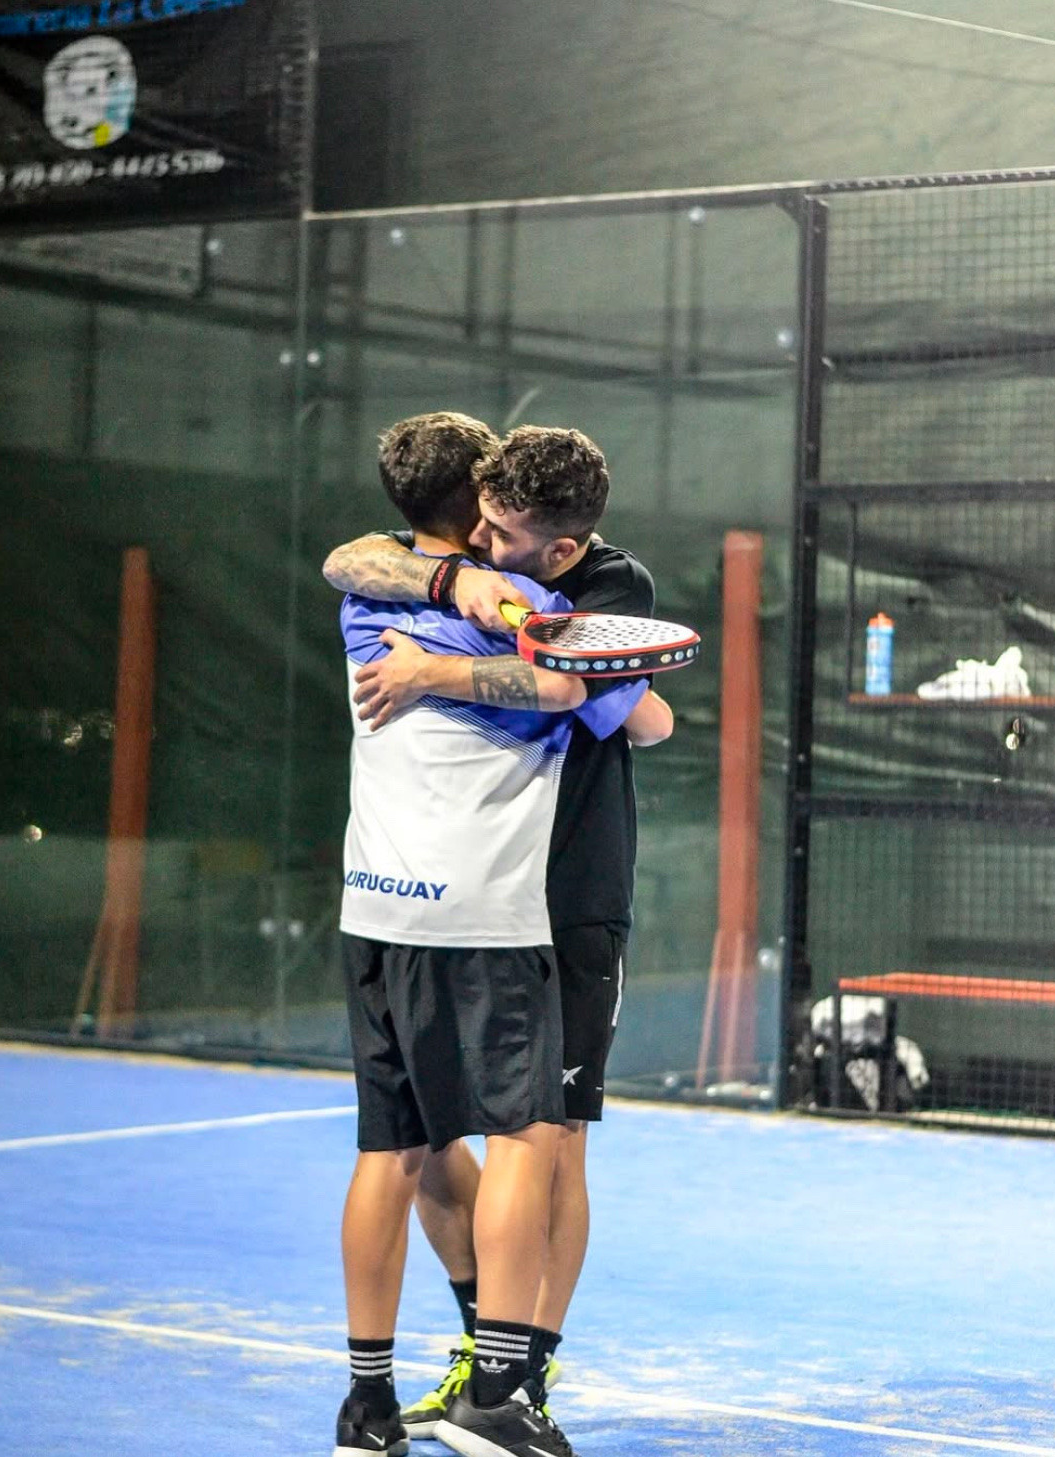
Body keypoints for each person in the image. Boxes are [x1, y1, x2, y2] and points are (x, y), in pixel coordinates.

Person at [323, 425, 672, 1450]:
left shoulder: (604, 586)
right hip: (471, 900)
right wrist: (455, 585)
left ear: (561, 545)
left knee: (551, 1138)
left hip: (563, 895)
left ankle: (518, 1376)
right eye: (478, 517)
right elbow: (353, 556)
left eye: (503, 530)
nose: (484, 537)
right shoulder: (447, 575)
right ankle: (487, 1360)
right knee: (439, 1144)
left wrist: (429, 669)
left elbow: (627, 710)